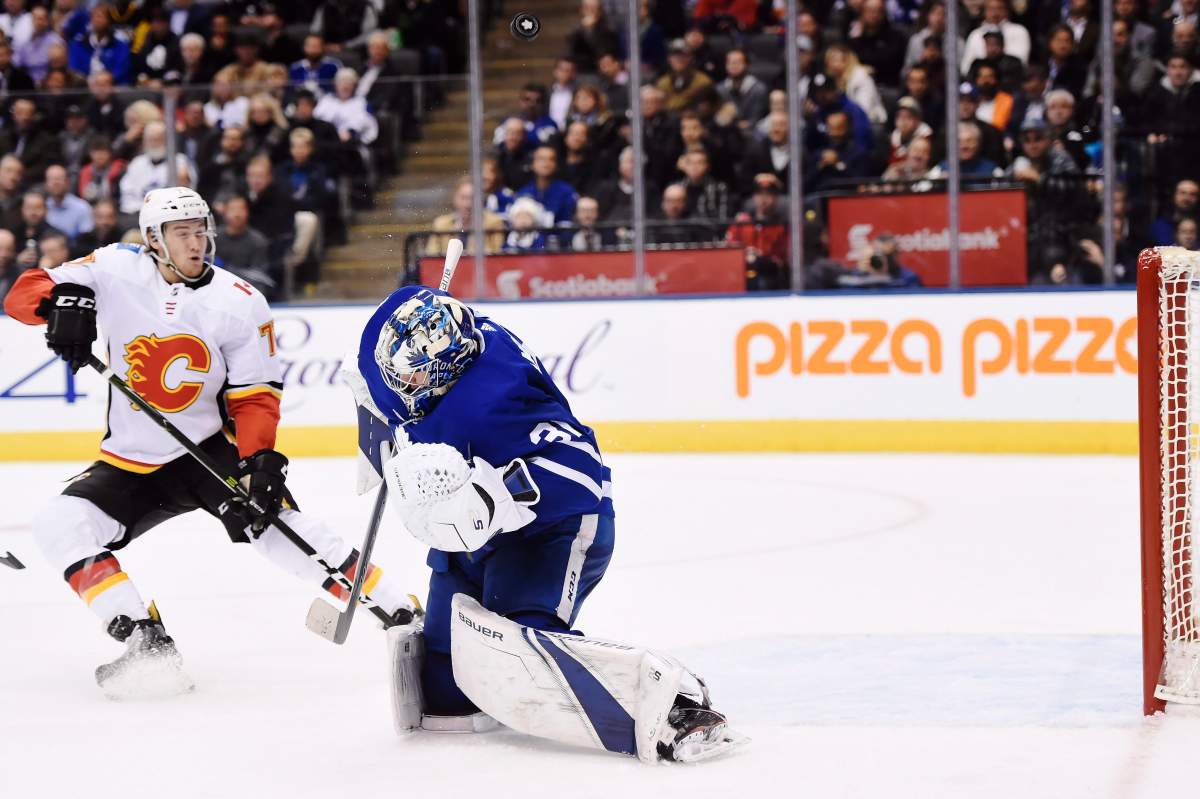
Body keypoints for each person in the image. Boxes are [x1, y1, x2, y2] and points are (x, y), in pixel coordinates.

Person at [1, 186, 416, 699]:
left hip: (207, 448)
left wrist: (260, 461)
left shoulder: (240, 303)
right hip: (130, 460)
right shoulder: (113, 267)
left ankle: (397, 607)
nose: (197, 241)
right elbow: (21, 295)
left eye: (201, 230)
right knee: (60, 524)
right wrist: (63, 300)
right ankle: (142, 635)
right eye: (183, 233)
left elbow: (256, 398)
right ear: (154, 239)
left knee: (276, 526)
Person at [348, 285, 741, 761]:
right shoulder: (452, 329)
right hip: (471, 531)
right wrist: (375, 396)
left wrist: (493, 499)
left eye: (413, 379)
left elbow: (581, 470)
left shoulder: (495, 399)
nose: (404, 387)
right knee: (445, 695)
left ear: (445, 370)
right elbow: (392, 339)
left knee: (519, 652)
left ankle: (674, 711)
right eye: (399, 376)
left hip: (549, 529)